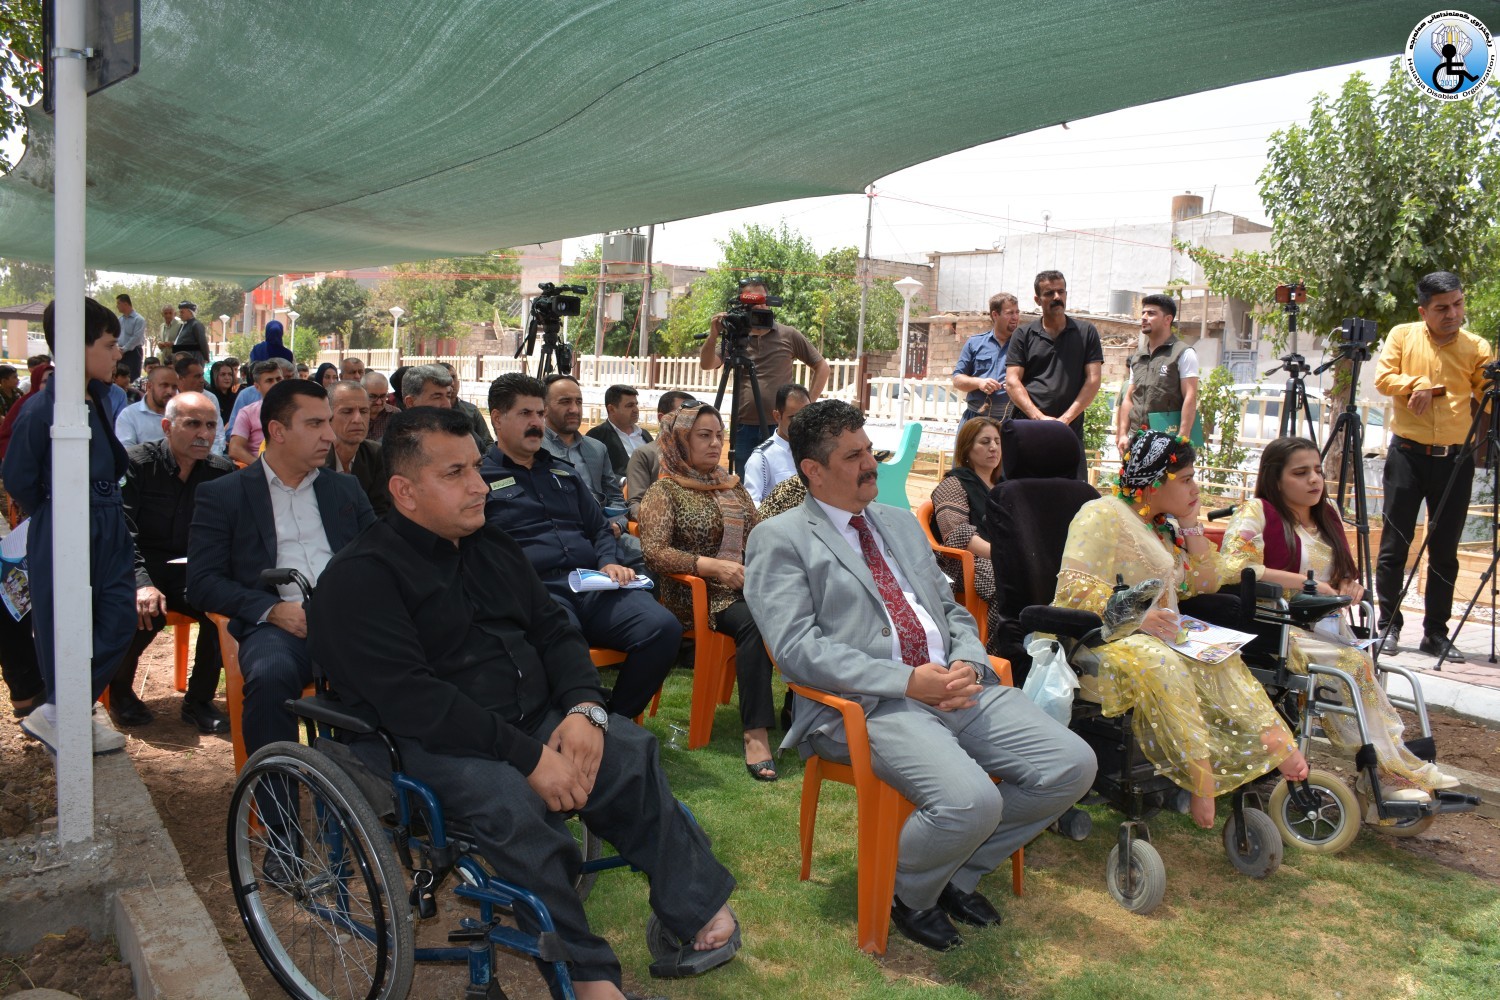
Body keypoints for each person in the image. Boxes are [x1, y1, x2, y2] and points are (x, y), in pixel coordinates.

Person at [308, 406, 739, 1000]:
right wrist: (531, 758)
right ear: (404, 491)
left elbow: (555, 629)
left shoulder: (491, 545)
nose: (480, 485)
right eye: (456, 473)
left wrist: (585, 710)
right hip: (427, 743)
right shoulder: (361, 579)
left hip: (534, 716)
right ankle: (586, 973)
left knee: (630, 750)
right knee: (512, 804)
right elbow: (416, 701)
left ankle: (692, 908)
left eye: (476, 469)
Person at [745, 400, 1095, 951]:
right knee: (972, 802)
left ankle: (955, 871)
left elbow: (950, 608)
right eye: (854, 455)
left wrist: (966, 664)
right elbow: (797, 650)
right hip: (869, 704)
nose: (871, 464)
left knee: (1072, 766)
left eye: (869, 450)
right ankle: (909, 892)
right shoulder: (780, 537)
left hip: (956, 685)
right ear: (812, 470)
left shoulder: (899, 521)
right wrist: (908, 682)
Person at [1054, 429, 1310, 829]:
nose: (1196, 487)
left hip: (1161, 634)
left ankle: (1273, 739)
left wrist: (1191, 525)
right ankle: (1201, 776)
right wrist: (1139, 618)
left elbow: (1202, 583)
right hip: (1104, 639)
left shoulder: (1161, 526)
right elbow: (1073, 591)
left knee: (1219, 651)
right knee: (1161, 659)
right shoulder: (1101, 513)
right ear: (1155, 480)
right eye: (1187, 479)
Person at [1220, 438, 1459, 794]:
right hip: (1275, 625)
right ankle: (1390, 770)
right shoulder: (1257, 511)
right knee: (1352, 665)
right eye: (1301, 473)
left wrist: (1349, 585)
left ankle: (1391, 766)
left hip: (1325, 627)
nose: (1314, 480)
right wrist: (1307, 584)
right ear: (1276, 478)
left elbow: (1342, 575)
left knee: (1370, 667)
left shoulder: (1326, 515)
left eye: (1317, 470)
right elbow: (1236, 567)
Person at [187, 379, 375, 775]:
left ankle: (375, 795)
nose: (329, 434)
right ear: (277, 431)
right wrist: (272, 610)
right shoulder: (223, 494)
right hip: (279, 627)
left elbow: (378, 558)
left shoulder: (346, 489)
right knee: (270, 677)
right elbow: (202, 582)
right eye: (315, 424)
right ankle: (279, 821)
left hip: (351, 620)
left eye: (328, 422)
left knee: (406, 664)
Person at [481, 373, 680, 720]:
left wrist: (607, 561)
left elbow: (599, 528)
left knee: (662, 628)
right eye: (525, 414)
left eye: (540, 414)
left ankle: (615, 720)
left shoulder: (563, 473)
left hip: (591, 583)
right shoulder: (480, 480)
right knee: (563, 640)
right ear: (498, 419)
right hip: (537, 591)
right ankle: (570, 722)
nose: (536, 423)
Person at [5, 298, 136, 755]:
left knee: (120, 620)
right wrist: (56, 510)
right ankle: (68, 711)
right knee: (65, 622)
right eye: (109, 344)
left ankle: (63, 708)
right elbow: (17, 474)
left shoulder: (99, 399)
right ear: (74, 347)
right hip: (65, 523)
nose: (118, 354)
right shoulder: (43, 409)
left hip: (108, 522)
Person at [637, 403, 779, 781]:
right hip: (694, 594)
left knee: (808, 605)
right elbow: (654, 552)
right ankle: (756, 736)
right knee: (755, 623)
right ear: (679, 440)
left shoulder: (730, 486)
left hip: (745, 585)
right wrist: (711, 566)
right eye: (704, 435)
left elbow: (760, 534)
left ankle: (801, 712)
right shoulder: (663, 490)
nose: (716, 443)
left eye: (719, 435)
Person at [1373, 271, 1495, 660]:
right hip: (1407, 454)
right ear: (1423, 310)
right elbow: (1383, 377)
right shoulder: (1403, 335)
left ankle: (1436, 635)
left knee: (1445, 550)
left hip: (1456, 460)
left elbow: (1487, 396)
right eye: (1442, 308)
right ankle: (1388, 626)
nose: (1453, 313)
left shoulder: (1477, 346)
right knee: (1395, 545)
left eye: (1458, 304)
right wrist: (1417, 382)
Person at [114, 391, 235, 733]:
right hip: (140, 568)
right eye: (193, 423)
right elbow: (123, 535)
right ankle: (120, 692)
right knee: (145, 613)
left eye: (211, 425)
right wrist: (141, 583)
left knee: (220, 613)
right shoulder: (137, 465)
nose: (204, 433)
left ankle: (198, 701)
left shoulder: (220, 472)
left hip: (190, 569)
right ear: (167, 426)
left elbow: (229, 533)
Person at [697, 278, 830, 474]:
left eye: (762, 300)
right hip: (743, 427)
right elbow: (707, 364)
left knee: (782, 478)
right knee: (746, 482)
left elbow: (822, 366)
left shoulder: (788, 334)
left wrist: (807, 405)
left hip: (781, 426)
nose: (759, 306)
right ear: (742, 304)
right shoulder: (735, 336)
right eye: (752, 301)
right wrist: (713, 335)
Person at [1004, 271, 1104, 479]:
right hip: (1029, 430)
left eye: (1061, 291)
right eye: (1049, 293)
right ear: (1037, 299)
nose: (1057, 297)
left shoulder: (1086, 332)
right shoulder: (1023, 335)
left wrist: (1064, 420)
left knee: (1070, 497)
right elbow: (1012, 381)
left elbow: (1093, 380)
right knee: (1026, 494)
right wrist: (1039, 418)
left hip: (1069, 431)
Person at [541, 375, 635, 562]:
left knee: (653, 559)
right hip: (564, 537)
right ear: (544, 408)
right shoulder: (536, 449)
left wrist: (618, 524)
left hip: (607, 533)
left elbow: (615, 498)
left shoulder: (597, 448)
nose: (574, 409)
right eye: (565, 402)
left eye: (578, 402)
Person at [931, 416, 1002, 610]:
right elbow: (957, 535)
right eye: (985, 442)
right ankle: (1004, 640)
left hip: (1004, 556)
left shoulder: (1005, 486)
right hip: (965, 563)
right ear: (967, 449)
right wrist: (1004, 555)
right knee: (1008, 579)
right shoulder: (954, 485)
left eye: (997, 441)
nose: (993, 447)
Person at [1115, 293, 1199, 453]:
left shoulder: (1183, 353)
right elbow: (1129, 397)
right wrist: (1123, 434)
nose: (1144, 318)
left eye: (1151, 313)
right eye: (1143, 313)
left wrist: (1182, 439)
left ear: (1168, 319)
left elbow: (1190, 396)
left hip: (1166, 441)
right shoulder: (1138, 357)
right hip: (1136, 440)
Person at [625, 390, 695, 521]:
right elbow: (635, 504)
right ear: (662, 418)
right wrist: (663, 522)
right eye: (683, 416)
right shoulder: (645, 454)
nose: (689, 422)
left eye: (692, 417)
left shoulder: (698, 455)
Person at [952, 292, 1021, 425]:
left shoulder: (1024, 346)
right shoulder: (974, 343)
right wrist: (979, 383)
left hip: (1011, 421)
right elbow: (957, 380)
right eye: (1009, 313)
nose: (1015, 317)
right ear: (995, 315)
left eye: (1017, 312)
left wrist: (1016, 386)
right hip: (976, 418)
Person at [324, 380, 390, 516]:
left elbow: (381, 511)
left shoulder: (376, 454)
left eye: (364, 411)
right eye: (347, 411)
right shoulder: (313, 457)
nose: (358, 419)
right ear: (328, 415)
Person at [740, 383, 809, 505]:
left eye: (805, 417)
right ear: (777, 416)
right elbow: (752, 504)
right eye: (793, 418)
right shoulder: (762, 458)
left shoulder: (816, 452)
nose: (800, 424)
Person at [227, 361, 287, 465]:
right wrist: (262, 467)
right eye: (269, 380)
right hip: (259, 468)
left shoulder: (298, 410)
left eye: (279, 379)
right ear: (257, 387)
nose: (276, 384)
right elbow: (235, 449)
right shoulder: (247, 413)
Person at [586, 384, 651, 478]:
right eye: (630, 406)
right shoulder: (596, 436)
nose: (636, 410)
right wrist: (623, 482)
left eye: (636, 404)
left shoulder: (644, 434)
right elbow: (593, 472)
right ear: (611, 409)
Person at [115, 363, 180, 450]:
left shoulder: (182, 414)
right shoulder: (129, 415)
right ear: (149, 386)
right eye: (164, 385)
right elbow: (127, 453)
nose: (170, 391)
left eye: (174, 387)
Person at [438, 361, 495, 451]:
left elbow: (488, 444)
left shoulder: (471, 411)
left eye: (454, 377)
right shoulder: (432, 412)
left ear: (458, 382)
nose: (452, 383)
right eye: (446, 378)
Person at [115, 293, 147, 380]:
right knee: (119, 377)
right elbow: (116, 335)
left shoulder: (139, 319)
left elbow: (136, 338)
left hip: (133, 353)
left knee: (132, 378)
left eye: (118, 303)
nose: (117, 306)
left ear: (125, 304)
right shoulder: (120, 319)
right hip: (120, 352)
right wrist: (117, 347)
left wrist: (124, 349)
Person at [363, 370, 398, 440]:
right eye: (372, 396)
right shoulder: (354, 415)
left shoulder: (395, 415)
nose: (378, 402)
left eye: (383, 396)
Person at [207, 359, 239, 425]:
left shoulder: (236, 397)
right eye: (223, 374)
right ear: (215, 376)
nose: (227, 378)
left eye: (230, 374)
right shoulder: (208, 397)